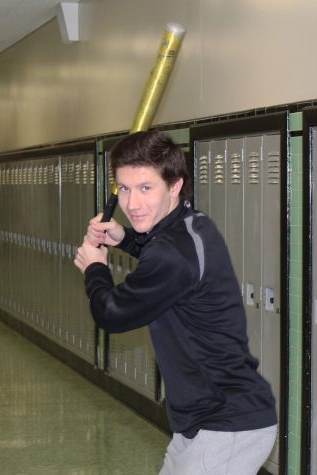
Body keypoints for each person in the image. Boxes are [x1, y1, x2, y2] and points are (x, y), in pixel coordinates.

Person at [74, 130, 277, 475]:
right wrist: (125, 239)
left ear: (175, 185)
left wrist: (95, 268)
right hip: (199, 419)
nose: (132, 203)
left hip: (227, 421)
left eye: (145, 188)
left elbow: (111, 313)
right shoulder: (190, 225)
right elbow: (161, 256)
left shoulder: (174, 252)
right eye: (124, 188)